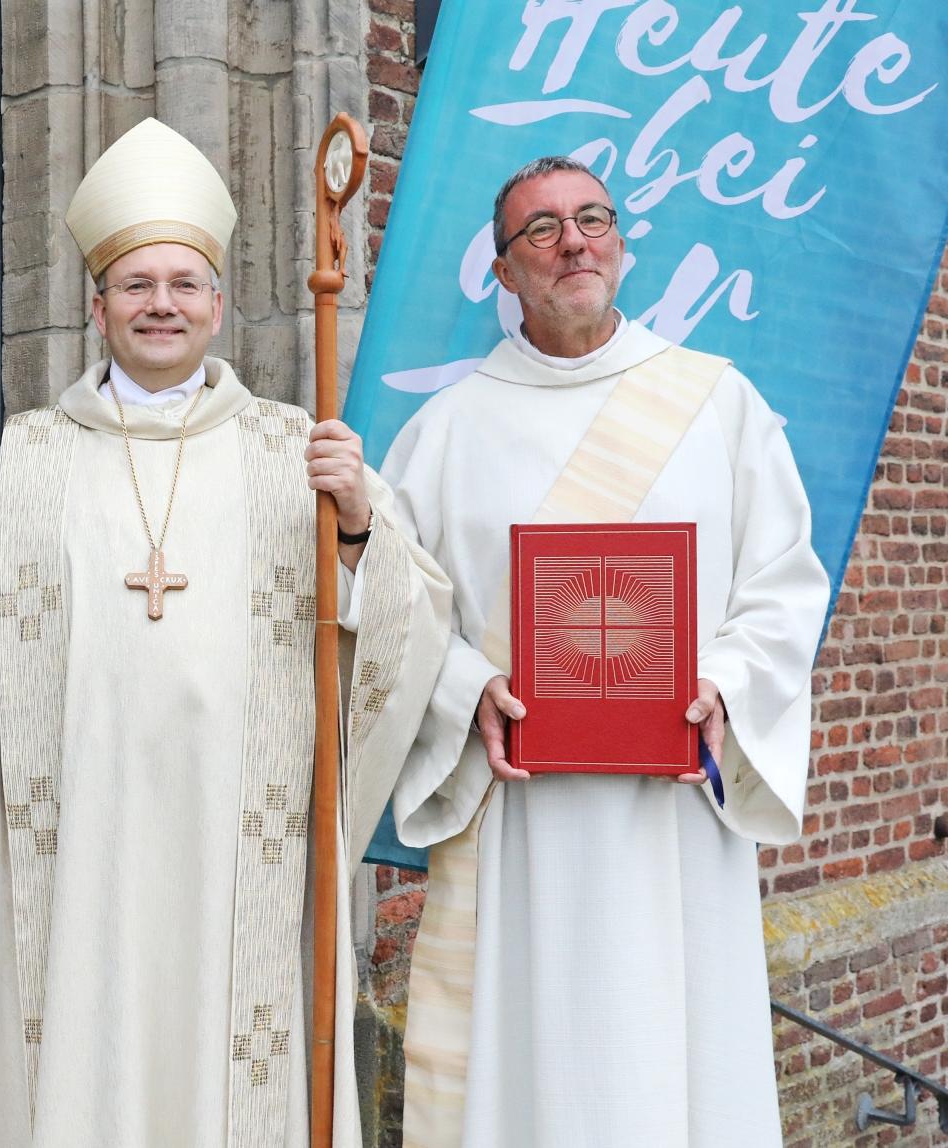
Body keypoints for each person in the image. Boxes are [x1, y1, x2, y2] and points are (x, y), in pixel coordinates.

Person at [0, 117, 451, 1147]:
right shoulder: (29, 455)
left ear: (217, 305)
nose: (160, 303)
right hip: (77, 843)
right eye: (136, 283)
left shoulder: (297, 447)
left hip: (239, 844)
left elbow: (405, 623)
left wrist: (356, 527)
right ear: (97, 305)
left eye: (184, 283)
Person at [383, 155, 828, 1148]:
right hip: (522, 824)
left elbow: (783, 585)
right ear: (503, 271)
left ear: (622, 246)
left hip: (673, 817)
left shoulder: (719, 405)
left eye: (592, 219)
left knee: (672, 1058)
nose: (573, 242)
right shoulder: (445, 432)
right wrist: (470, 689)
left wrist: (722, 682)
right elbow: (395, 613)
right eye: (541, 229)